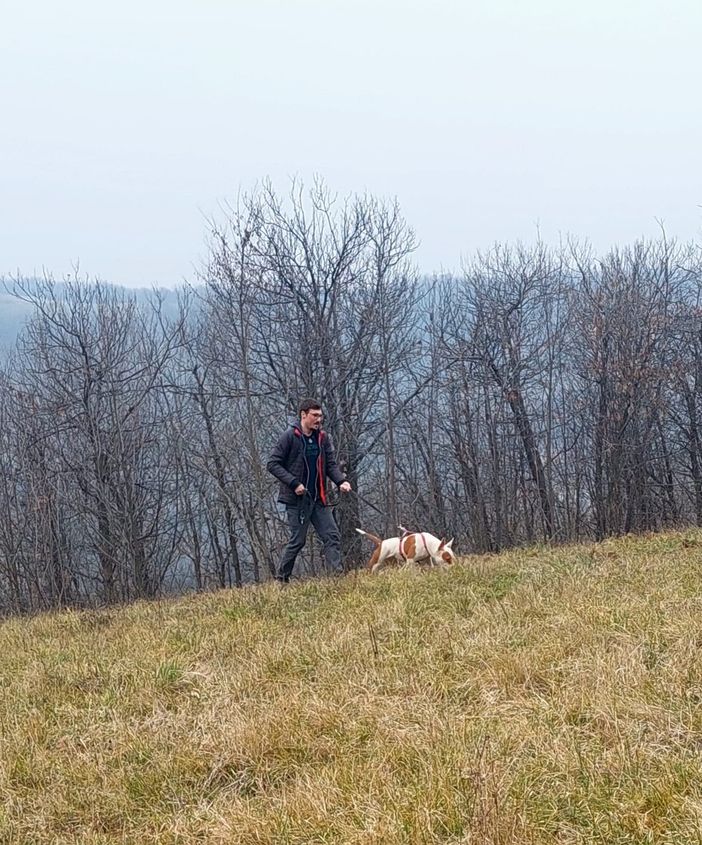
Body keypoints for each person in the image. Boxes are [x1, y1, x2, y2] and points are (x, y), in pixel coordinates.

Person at [267, 398, 352, 582]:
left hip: (318, 498)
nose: (319, 419)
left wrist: (341, 481)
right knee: (298, 541)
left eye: (320, 416)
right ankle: (281, 579)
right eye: (315, 415)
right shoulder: (289, 437)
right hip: (297, 501)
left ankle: (337, 579)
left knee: (332, 536)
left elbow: (330, 465)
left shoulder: (322, 438)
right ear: (303, 415)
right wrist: (294, 483)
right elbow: (272, 464)